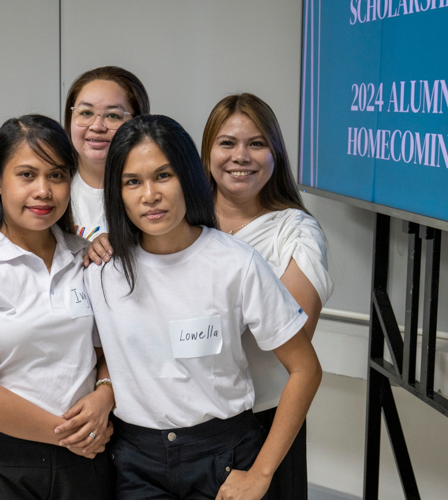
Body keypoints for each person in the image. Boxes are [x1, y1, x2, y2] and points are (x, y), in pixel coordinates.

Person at [84, 114, 322, 499]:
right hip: (136, 462)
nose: (149, 194)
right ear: (117, 191)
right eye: (132, 181)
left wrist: (261, 474)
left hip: (223, 455)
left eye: (163, 175)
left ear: (189, 177)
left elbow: (306, 369)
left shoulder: (235, 263)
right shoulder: (101, 271)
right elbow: (96, 355)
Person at [0, 114, 116, 499]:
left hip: (86, 456)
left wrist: (104, 392)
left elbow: (109, 347)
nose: (43, 191)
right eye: (27, 175)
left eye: (57, 175)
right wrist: (64, 435)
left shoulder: (86, 257)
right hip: (1, 461)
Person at [201, 93, 334, 499]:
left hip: (262, 425)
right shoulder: (180, 222)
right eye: (227, 143)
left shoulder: (296, 232)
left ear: (275, 154)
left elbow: (288, 336)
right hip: (183, 428)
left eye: (256, 143)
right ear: (206, 152)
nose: (240, 156)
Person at [64, 66, 150, 241]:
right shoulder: (52, 188)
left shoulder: (152, 193)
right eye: (86, 113)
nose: (97, 126)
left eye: (113, 116)